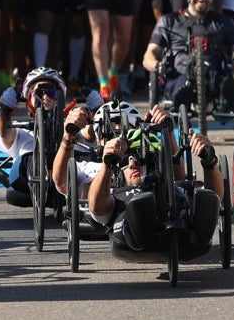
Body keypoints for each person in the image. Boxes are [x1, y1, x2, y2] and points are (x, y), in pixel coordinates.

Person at [87, 103, 222, 259]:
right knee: (139, 201)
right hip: (134, 237)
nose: (133, 163)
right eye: (126, 160)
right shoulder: (115, 197)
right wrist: (107, 165)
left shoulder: (179, 189)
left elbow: (215, 197)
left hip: (189, 235)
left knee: (205, 198)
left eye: (139, 158)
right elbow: (96, 207)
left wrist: (209, 162)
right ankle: (146, 212)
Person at [142, 0, 234, 112]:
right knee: (181, 84)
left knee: (226, 83)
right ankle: (181, 100)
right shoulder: (169, 21)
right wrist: (156, 66)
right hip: (180, 76)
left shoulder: (223, 23)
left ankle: (227, 98)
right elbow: (149, 56)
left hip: (215, 77)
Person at [0, 67, 68, 208]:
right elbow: (5, 132)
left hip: (66, 178)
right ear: (29, 98)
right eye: (39, 92)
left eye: (51, 92)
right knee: (28, 158)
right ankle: (41, 179)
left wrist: (94, 110)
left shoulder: (70, 126)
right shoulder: (20, 129)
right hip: (28, 180)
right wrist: (5, 112)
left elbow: (90, 136)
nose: (46, 97)